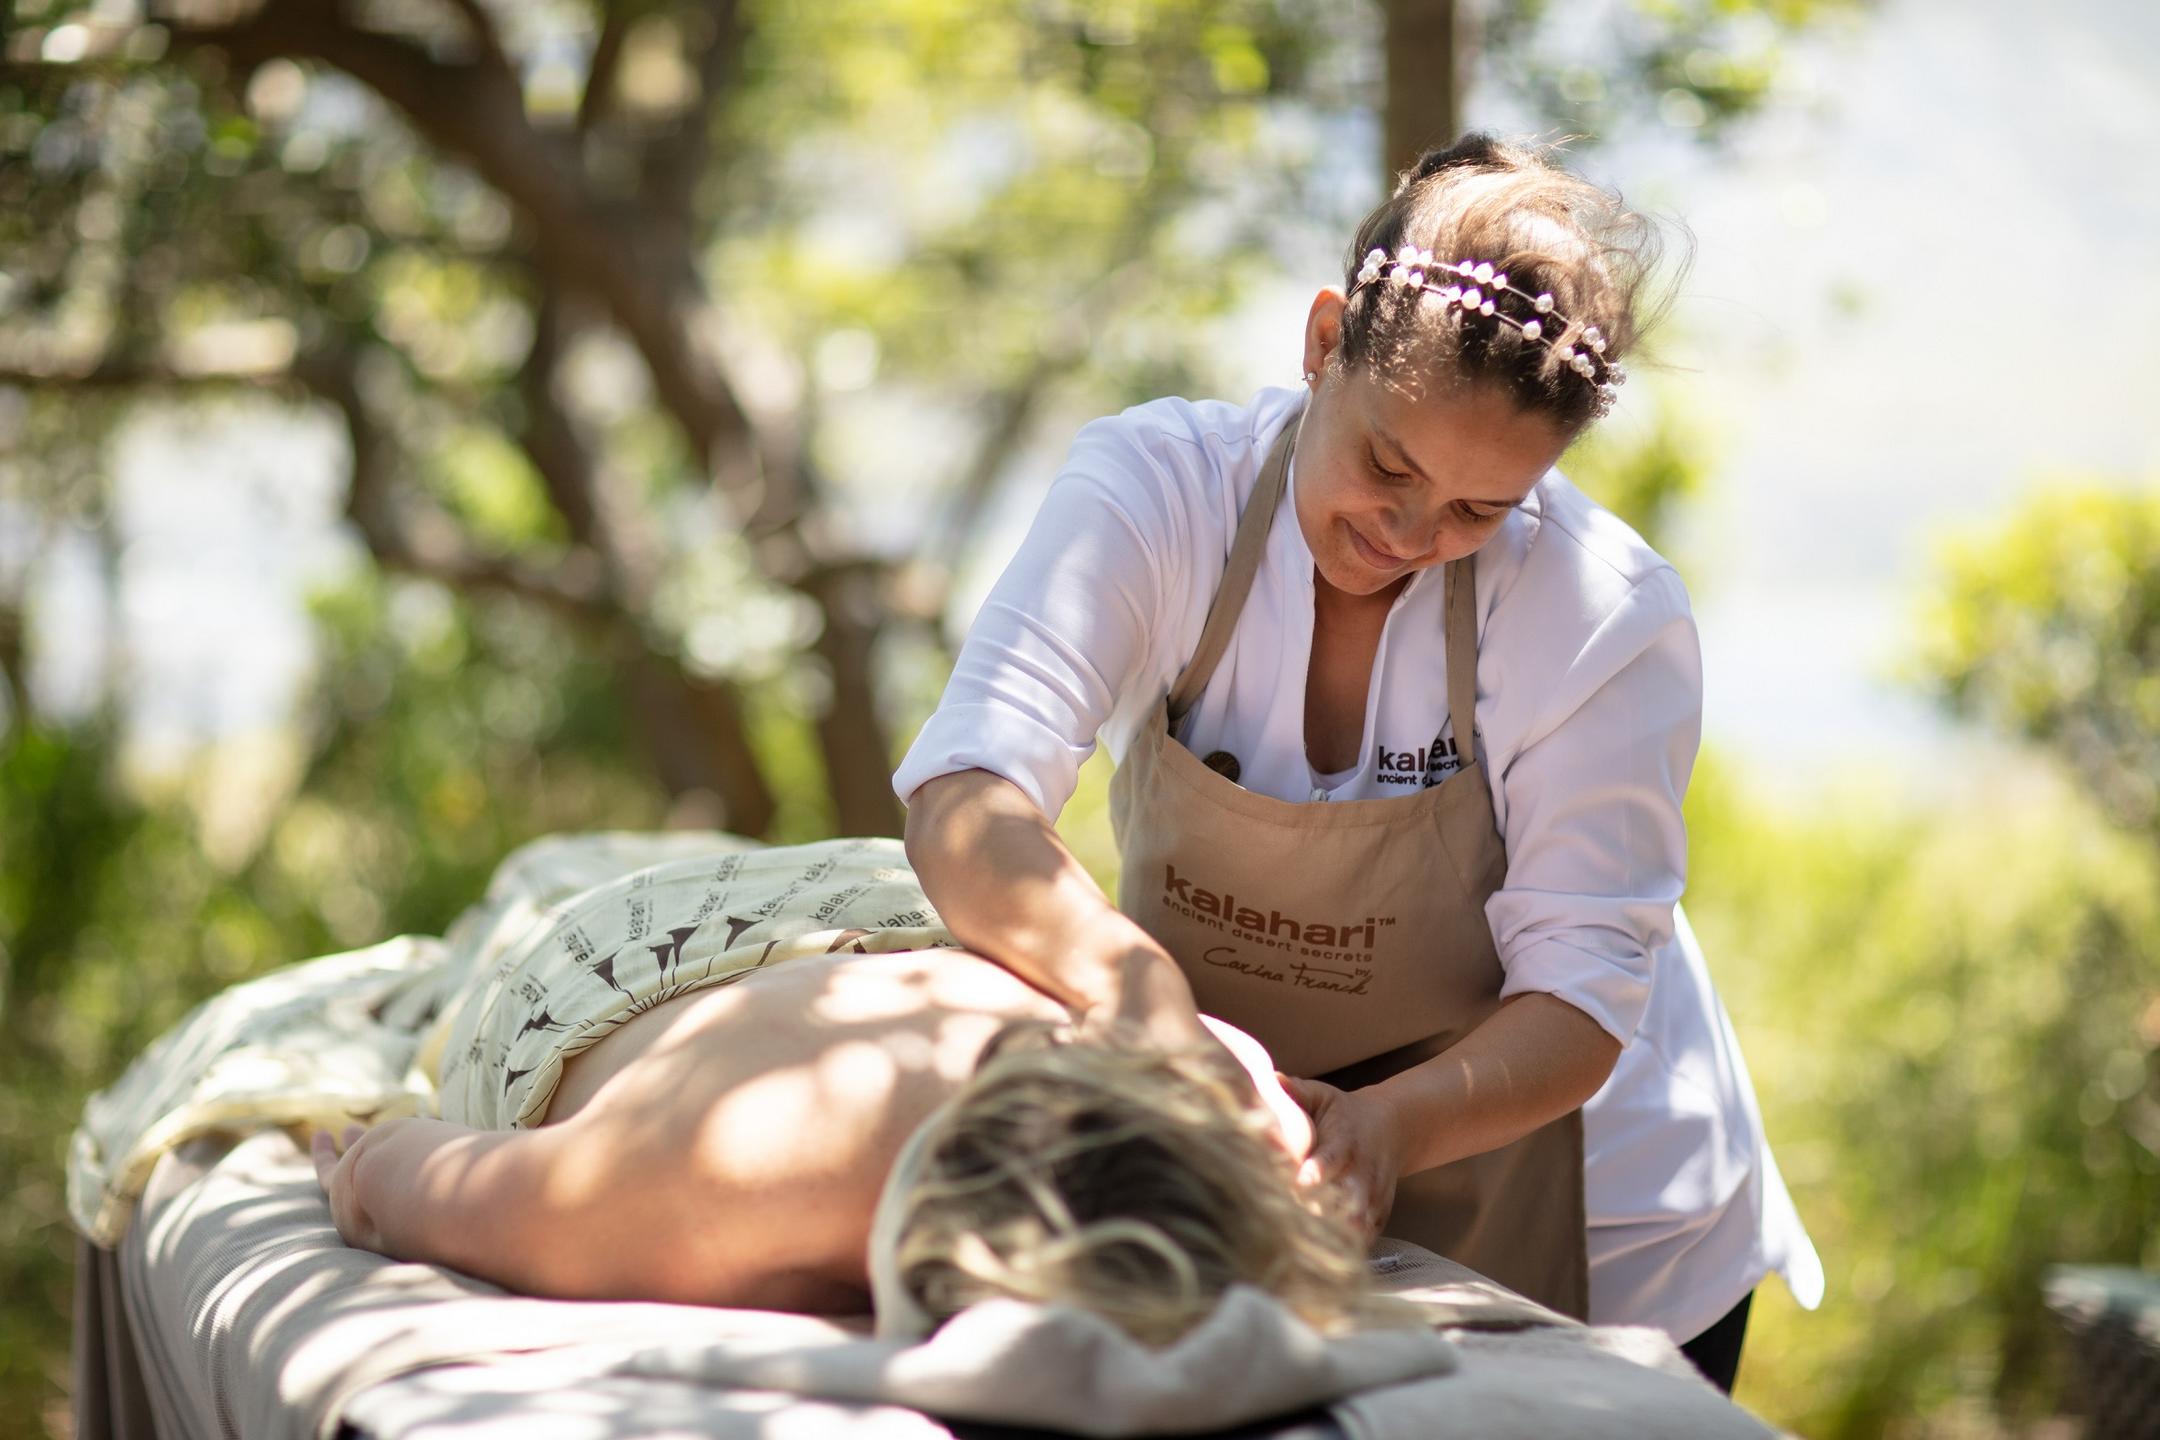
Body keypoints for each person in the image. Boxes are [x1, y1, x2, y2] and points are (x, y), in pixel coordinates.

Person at [894, 132, 1823, 1391]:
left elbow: (1583, 999)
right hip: (1243, 1149)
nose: (1409, 532)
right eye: (1390, 463)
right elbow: (968, 798)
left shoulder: (1602, 614)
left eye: (1479, 510)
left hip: (1601, 1217)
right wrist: (1145, 1007)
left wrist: (1390, 1126)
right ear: (1325, 340)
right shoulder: (1160, 493)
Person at [308, 838, 1388, 1344]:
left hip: (899, 896)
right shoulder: (709, 1187)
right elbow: (389, 1181)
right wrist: (359, 1173)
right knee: (525, 890)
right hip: (607, 966)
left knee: (554, 864)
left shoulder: (1234, 1094)